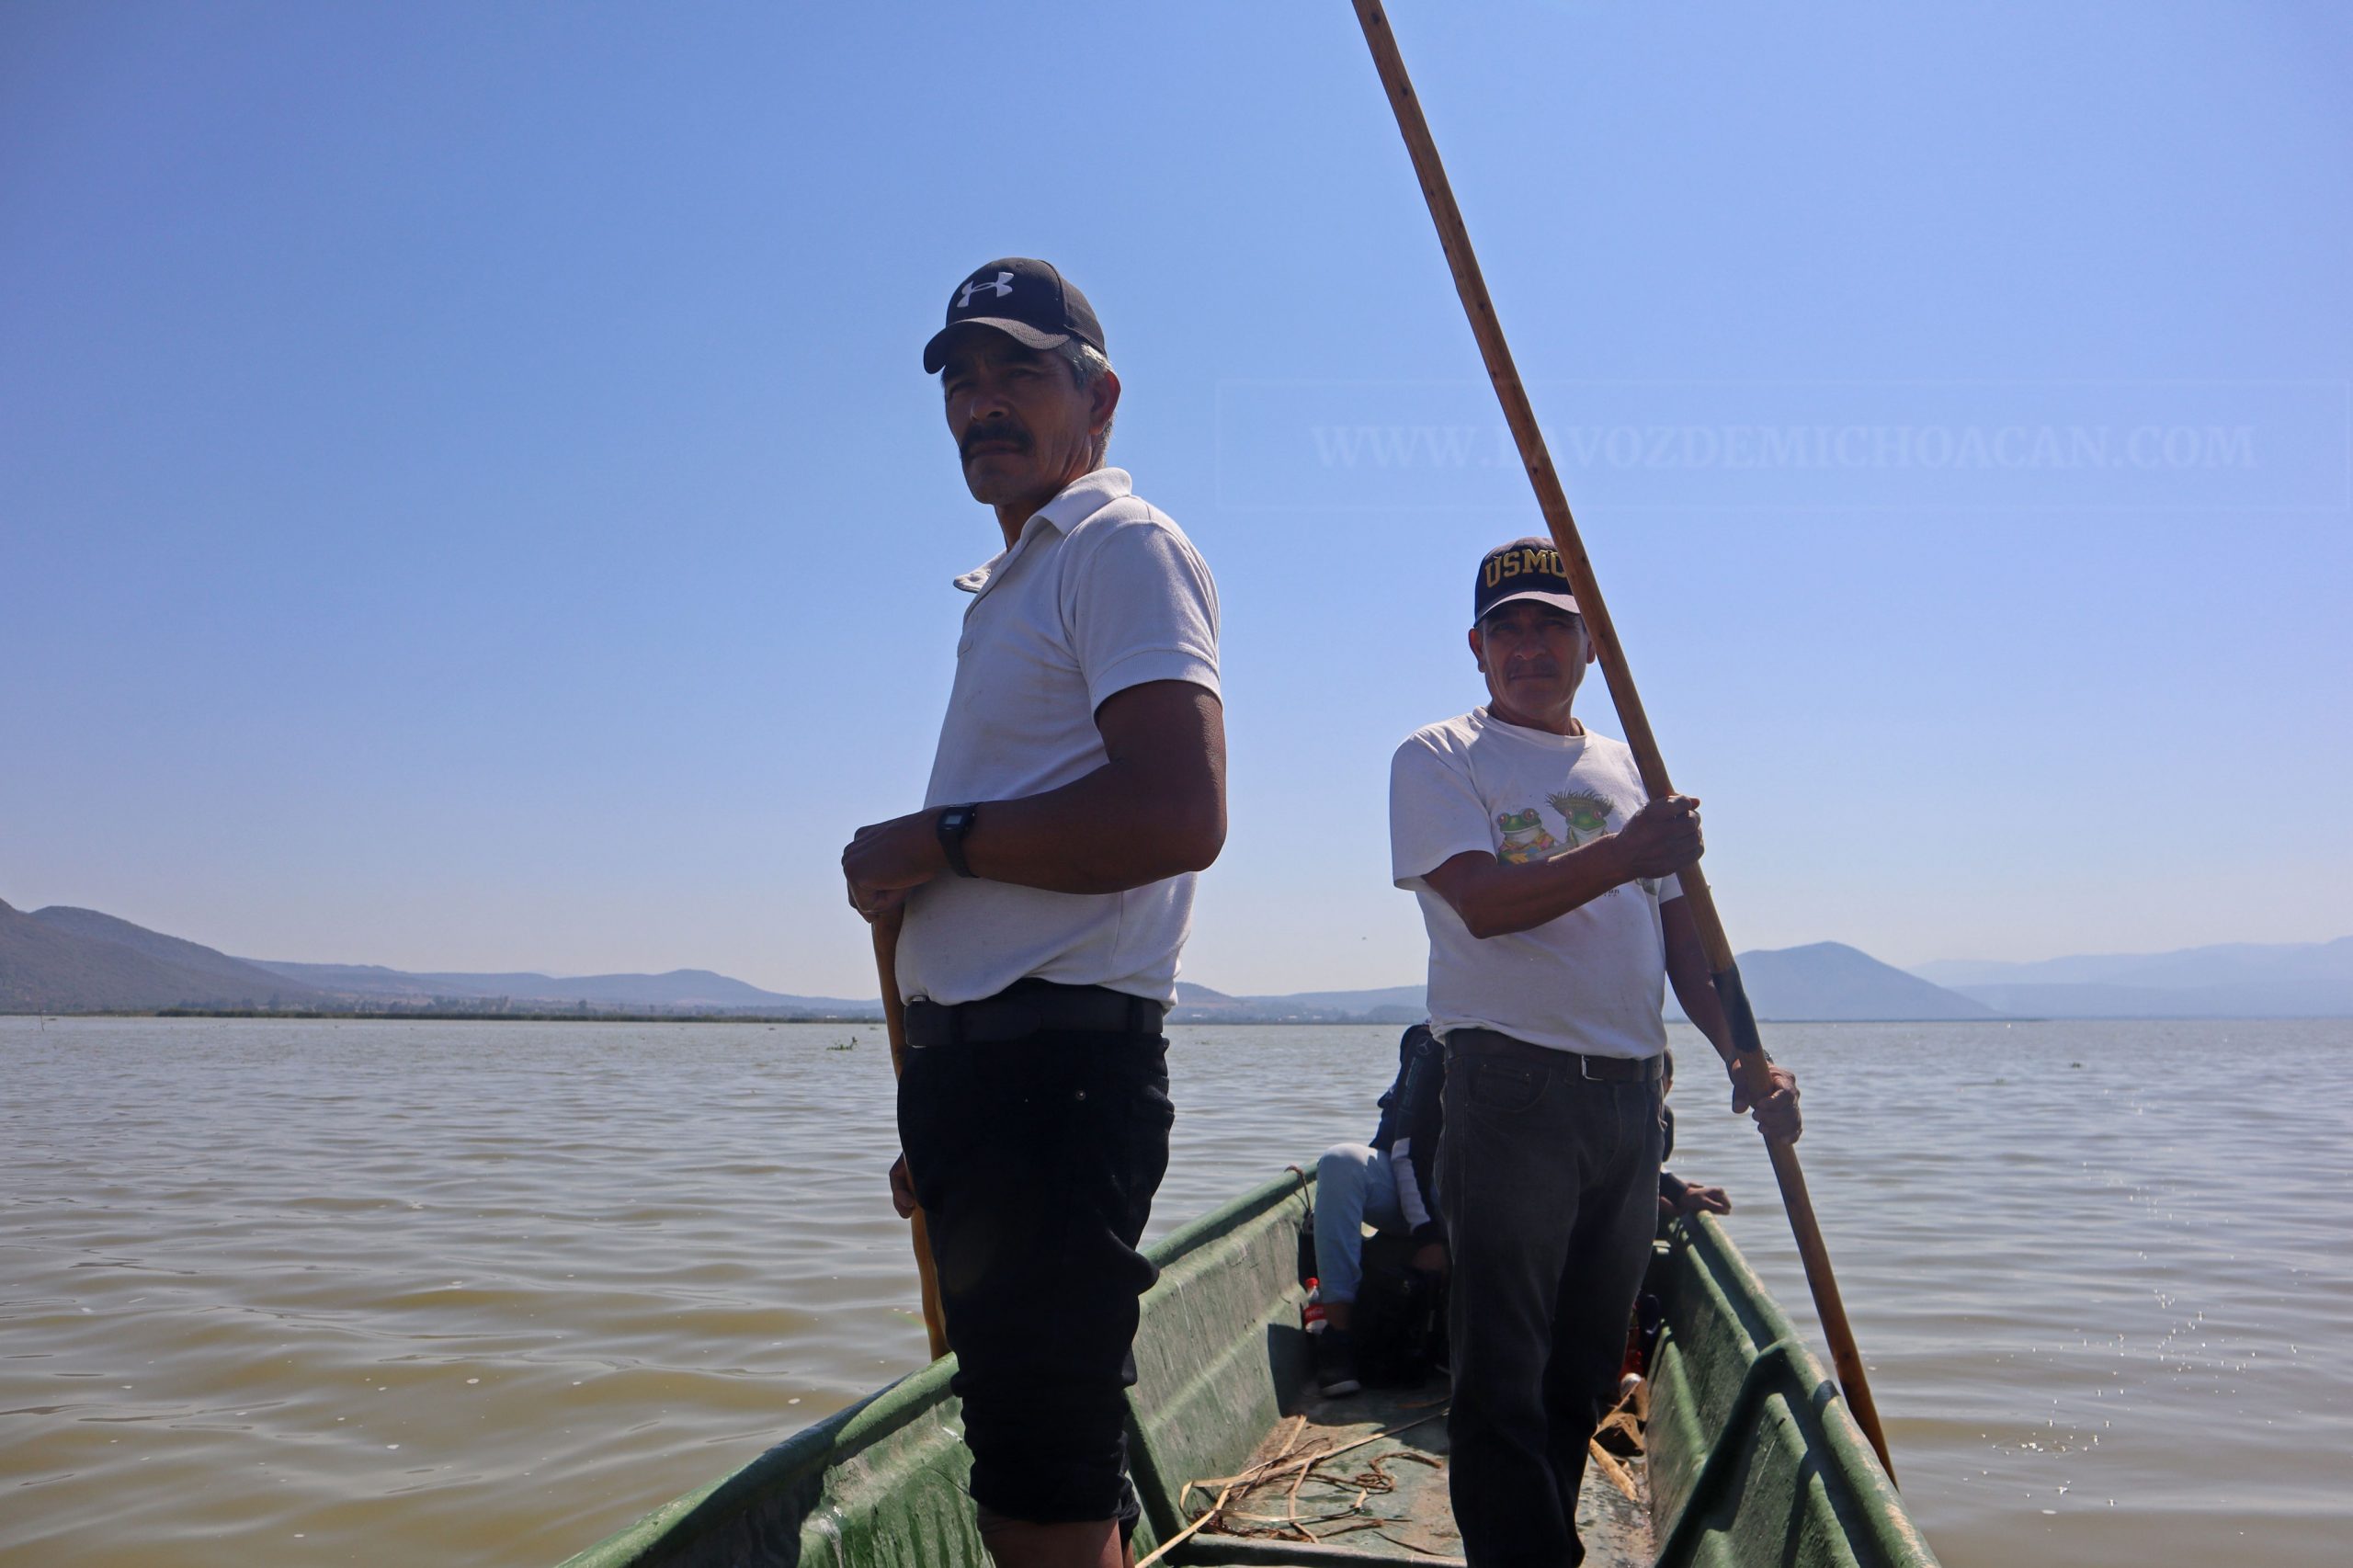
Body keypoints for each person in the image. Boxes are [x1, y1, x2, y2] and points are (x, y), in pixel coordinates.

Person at [844, 257, 1225, 1568]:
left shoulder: (1120, 547)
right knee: (1038, 1467)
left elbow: (1178, 813)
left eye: (1020, 371)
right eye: (962, 376)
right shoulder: (1015, 578)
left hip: (1055, 1088)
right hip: (995, 1093)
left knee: (1042, 1493)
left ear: (1098, 398)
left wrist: (937, 839)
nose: (982, 401)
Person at [1388, 537, 1799, 1567]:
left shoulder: (1628, 770)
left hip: (1628, 1107)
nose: (1530, 644)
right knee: (1502, 1376)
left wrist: (1745, 1052)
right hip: (1508, 1091)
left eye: (1552, 623)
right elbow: (1481, 905)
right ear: (1476, 648)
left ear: (1589, 645)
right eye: (1509, 627)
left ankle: (1538, 1544)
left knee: (1580, 1373)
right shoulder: (1440, 756)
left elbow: (1684, 949)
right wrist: (1627, 849)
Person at [1311, 1022, 1448, 1397]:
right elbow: (1407, 1153)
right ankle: (1339, 1336)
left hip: (1478, 1202)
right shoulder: (1430, 1043)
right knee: (1340, 1163)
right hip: (1415, 1190)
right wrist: (1428, 1236)